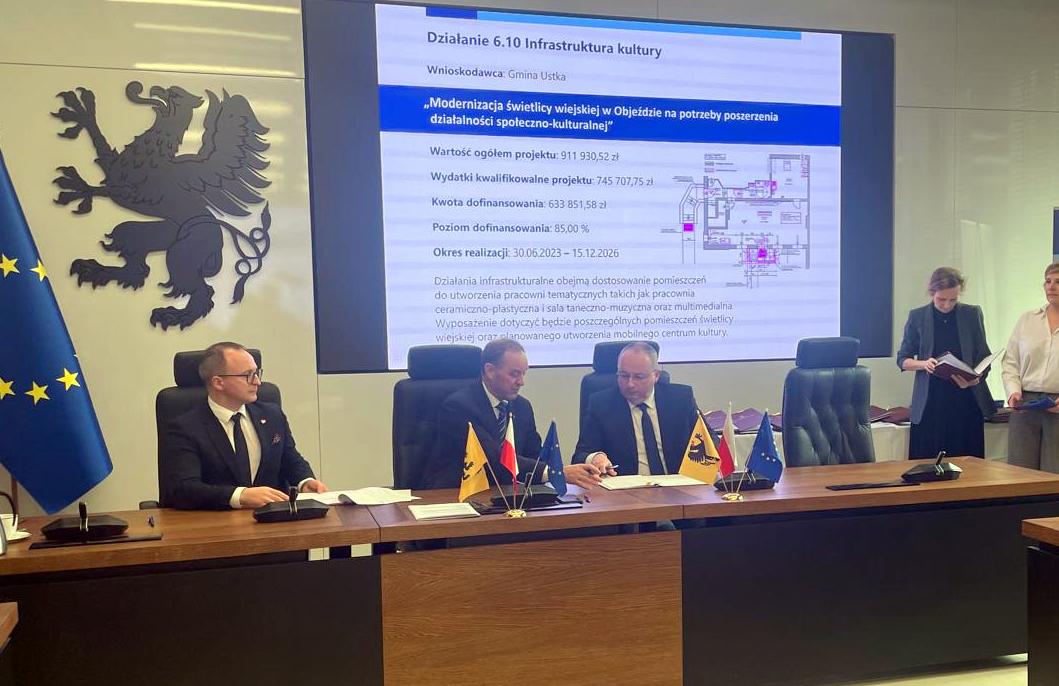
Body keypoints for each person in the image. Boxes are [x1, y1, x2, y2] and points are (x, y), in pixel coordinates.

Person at [161, 342, 327, 509]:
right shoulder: (185, 428)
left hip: (273, 516)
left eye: (257, 373)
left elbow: (290, 458)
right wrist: (240, 496)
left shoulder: (272, 415)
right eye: (248, 375)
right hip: (215, 519)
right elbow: (184, 488)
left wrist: (305, 481)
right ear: (218, 383)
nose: (257, 382)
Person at [424, 338, 603, 490]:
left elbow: (535, 455)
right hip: (460, 494)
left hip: (511, 495)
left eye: (523, 374)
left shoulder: (522, 407)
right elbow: (493, 459)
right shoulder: (459, 407)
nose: (521, 382)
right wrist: (555, 472)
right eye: (514, 374)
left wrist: (560, 470)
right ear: (490, 370)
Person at [896, 267, 994, 458]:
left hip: (965, 398)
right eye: (941, 299)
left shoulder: (971, 314)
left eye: (953, 300)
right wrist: (923, 364)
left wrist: (976, 378)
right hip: (931, 400)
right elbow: (902, 359)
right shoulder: (918, 317)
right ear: (932, 293)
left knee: (969, 462)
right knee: (928, 461)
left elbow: (984, 356)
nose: (947, 305)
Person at [573, 341, 703, 475]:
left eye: (639, 377)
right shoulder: (601, 404)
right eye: (624, 376)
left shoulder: (680, 399)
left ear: (656, 375)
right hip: (626, 485)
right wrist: (595, 457)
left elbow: (707, 441)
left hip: (677, 483)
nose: (630, 384)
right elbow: (580, 455)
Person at [1001, 262, 1059, 472]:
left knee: (1054, 474)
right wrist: (1013, 392)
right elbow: (1010, 361)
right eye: (1048, 281)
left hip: (1057, 403)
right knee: (1020, 472)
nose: (1051, 286)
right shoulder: (1028, 319)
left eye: (1058, 282)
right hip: (1026, 404)